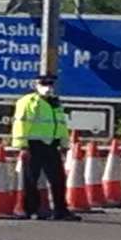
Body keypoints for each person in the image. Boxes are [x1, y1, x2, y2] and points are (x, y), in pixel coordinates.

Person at [11, 73, 76, 221]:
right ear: (36, 85)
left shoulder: (56, 103)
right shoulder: (28, 101)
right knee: (30, 179)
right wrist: (22, 146)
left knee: (58, 179)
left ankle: (61, 210)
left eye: (50, 84)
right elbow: (20, 123)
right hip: (33, 144)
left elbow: (61, 124)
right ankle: (30, 210)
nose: (48, 88)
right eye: (44, 84)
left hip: (51, 145)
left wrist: (64, 144)